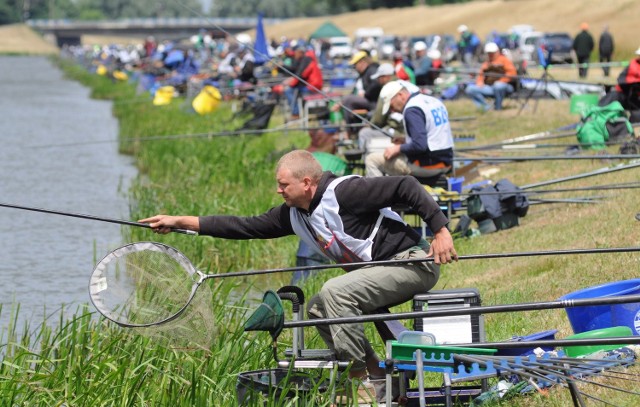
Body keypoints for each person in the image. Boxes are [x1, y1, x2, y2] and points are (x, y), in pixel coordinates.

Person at [140, 149, 457, 403]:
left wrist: (441, 230)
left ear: (307, 182)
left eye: (283, 185)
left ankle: (357, 381)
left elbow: (406, 186)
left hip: (414, 262)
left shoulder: (345, 192)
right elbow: (244, 226)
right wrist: (180, 221)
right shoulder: (294, 214)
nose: (278, 191)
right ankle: (378, 378)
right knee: (319, 307)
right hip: (377, 274)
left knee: (335, 291)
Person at [365, 81, 454, 187]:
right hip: (447, 161)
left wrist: (398, 148)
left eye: (391, 105)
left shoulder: (412, 110)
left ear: (400, 95)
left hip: (428, 165)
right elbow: (433, 136)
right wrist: (405, 141)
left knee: (371, 159)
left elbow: (420, 146)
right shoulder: (432, 101)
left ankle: (380, 199)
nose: (392, 111)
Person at [331, 51, 381, 136]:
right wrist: (341, 103)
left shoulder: (372, 70)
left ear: (362, 62)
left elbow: (376, 84)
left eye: (355, 64)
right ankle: (350, 128)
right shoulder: (361, 75)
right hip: (364, 101)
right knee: (346, 100)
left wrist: (366, 94)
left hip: (372, 102)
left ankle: (349, 130)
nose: (354, 67)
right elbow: (353, 92)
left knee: (348, 99)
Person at [464, 42, 517, 111]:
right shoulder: (486, 64)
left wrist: (501, 81)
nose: (490, 55)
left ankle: (498, 108)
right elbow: (481, 75)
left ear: (497, 52)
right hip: (490, 87)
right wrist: (480, 82)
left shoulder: (504, 60)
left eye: (492, 53)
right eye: (489, 53)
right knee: (470, 89)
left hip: (506, 87)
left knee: (498, 85)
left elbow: (512, 73)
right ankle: (486, 108)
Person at [283, 45, 323, 120]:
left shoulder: (306, 60)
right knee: (293, 90)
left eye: (295, 53)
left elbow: (300, 74)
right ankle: (296, 112)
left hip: (313, 86)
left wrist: (290, 83)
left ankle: (296, 113)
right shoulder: (307, 58)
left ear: (300, 52)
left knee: (289, 91)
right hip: (312, 84)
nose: (294, 55)